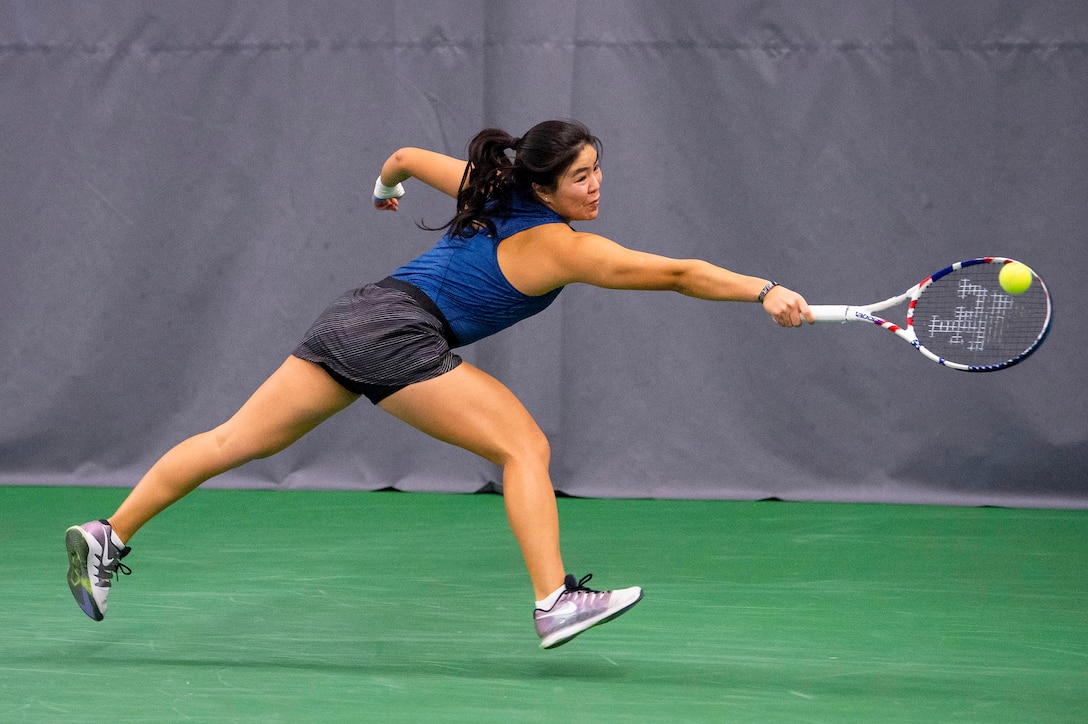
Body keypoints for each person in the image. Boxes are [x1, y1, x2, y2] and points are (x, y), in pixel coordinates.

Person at [65, 120, 813, 649]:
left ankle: (109, 533)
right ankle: (555, 603)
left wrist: (386, 188)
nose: (596, 186)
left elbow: (399, 156)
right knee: (524, 446)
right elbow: (679, 274)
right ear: (546, 188)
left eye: (597, 171)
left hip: (356, 314)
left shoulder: (488, 185)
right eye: (581, 176)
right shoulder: (562, 247)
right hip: (401, 330)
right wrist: (764, 289)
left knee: (232, 440)